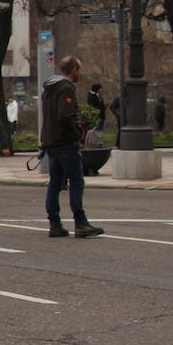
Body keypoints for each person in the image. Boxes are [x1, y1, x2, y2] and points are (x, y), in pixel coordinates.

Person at [41, 56, 105, 239]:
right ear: (74, 69)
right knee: (76, 181)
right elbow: (65, 116)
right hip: (65, 142)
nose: (80, 73)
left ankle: (54, 223)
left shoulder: (49, 88)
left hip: (51, 141)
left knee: (55, 182)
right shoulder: (66, 87)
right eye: (79, 69)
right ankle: (80, 222)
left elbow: (48, 117)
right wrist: (76, 135)